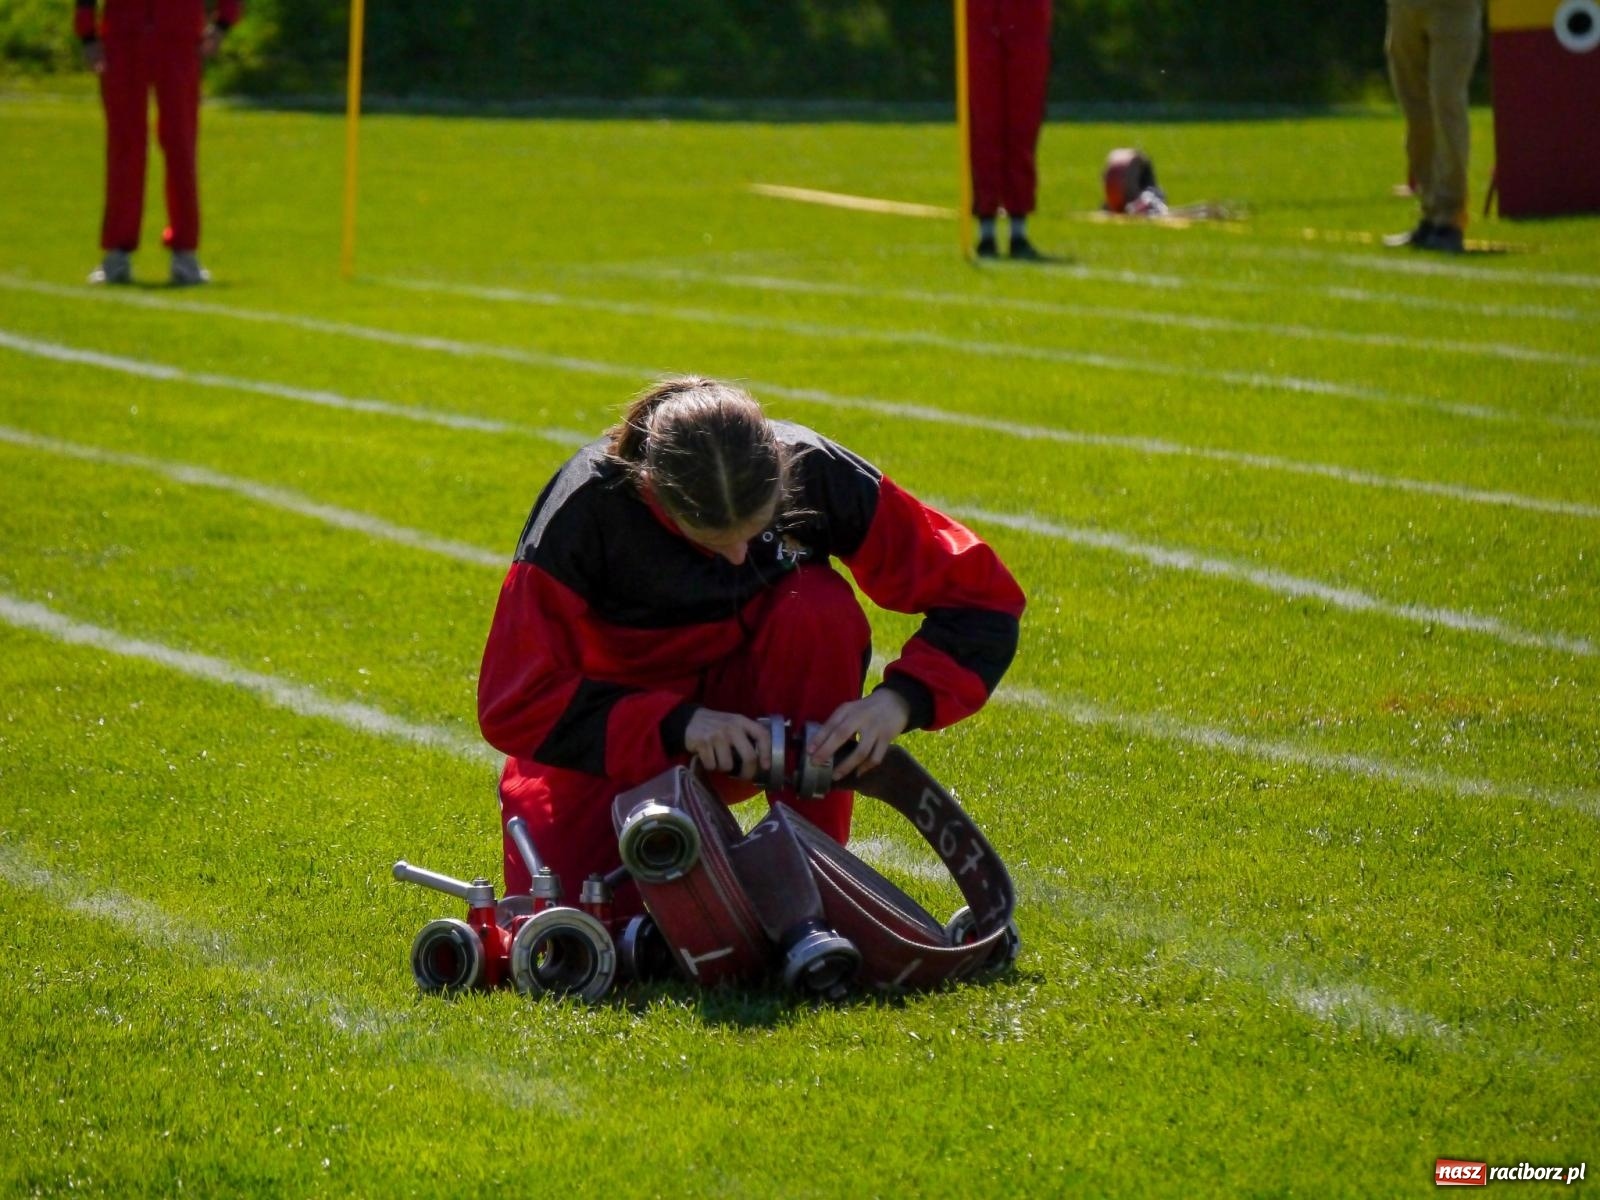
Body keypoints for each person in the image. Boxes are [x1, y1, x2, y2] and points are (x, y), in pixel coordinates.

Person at [478, 377, 1026, 915]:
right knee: (586, 917)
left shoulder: (816, 470)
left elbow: (981, 596)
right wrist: (678, 724)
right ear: (653, 491)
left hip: (764, 729)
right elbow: (514, 702)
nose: (741, 557)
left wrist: (900, 701)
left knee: (817, 607)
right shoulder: (586, 509)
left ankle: (815, 870)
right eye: (714, 539)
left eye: (755, 530)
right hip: (630, 735)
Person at [76, 0, 242, 285]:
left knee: (181, 145)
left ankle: (185, 252)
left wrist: (222, 23)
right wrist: (87, 32)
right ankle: (117, 251)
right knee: (124, 147)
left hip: (179, 36)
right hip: (123, 35)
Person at [1383, 0, 1484, 254]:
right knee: (1416, 113)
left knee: (1446, 103)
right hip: (1405, 8)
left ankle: (1450, 219)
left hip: (1453, 8)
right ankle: (1431, 213)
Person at [965, 0, 1054, 260]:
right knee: (985, 125)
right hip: (982, 15)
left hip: (1027, 15)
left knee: (1022, 124)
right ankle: (986, 230)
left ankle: (1018, 230)